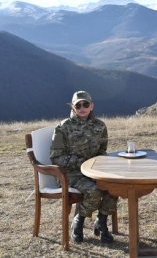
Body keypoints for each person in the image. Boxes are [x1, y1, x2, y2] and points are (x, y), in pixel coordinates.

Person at [50, 90, 118, 244]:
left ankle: (101, 223)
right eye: (78, 105)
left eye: (85, 104)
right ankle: (78, 221)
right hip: (70, 174)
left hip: (94, 171)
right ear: (73, 107)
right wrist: (82, 163)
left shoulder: (100, 126)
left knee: (114, 187)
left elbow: (102, 150)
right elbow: (56, 157)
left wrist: (101, 164)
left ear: (92, 106)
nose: (82, 107)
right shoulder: (63, 127)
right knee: (94, 191)